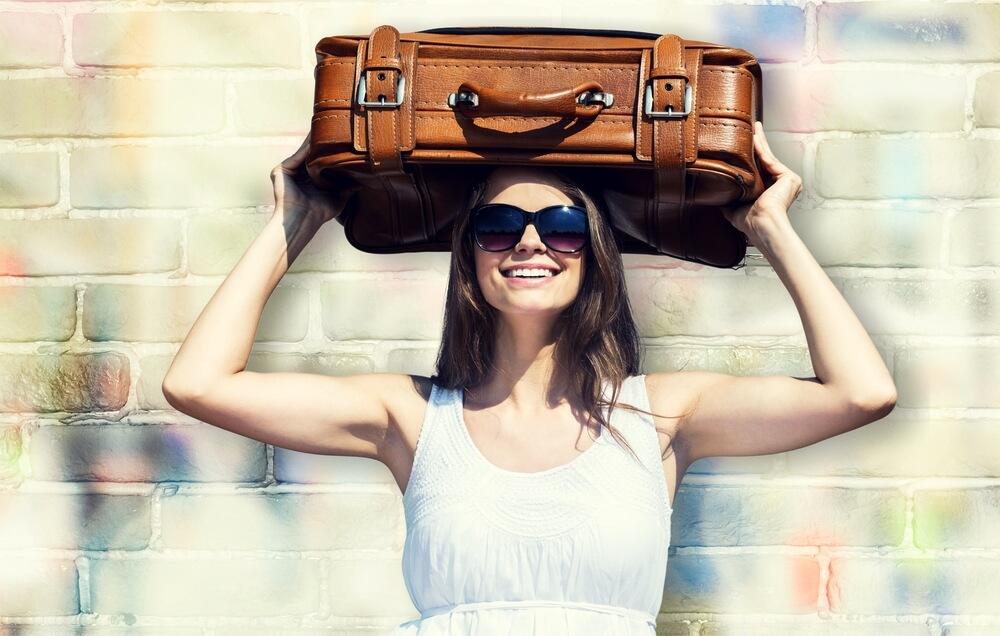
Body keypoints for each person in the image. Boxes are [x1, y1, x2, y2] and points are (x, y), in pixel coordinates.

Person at [162, 122, 896, 634]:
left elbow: (860, 393)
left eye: (562, 225)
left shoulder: (663, 414)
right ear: (471, 255)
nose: (531, 242)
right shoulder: (413, 416)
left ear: (595, 251)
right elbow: (199, 383)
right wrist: (295, 219)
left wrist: (770, 226)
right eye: (500, 225)